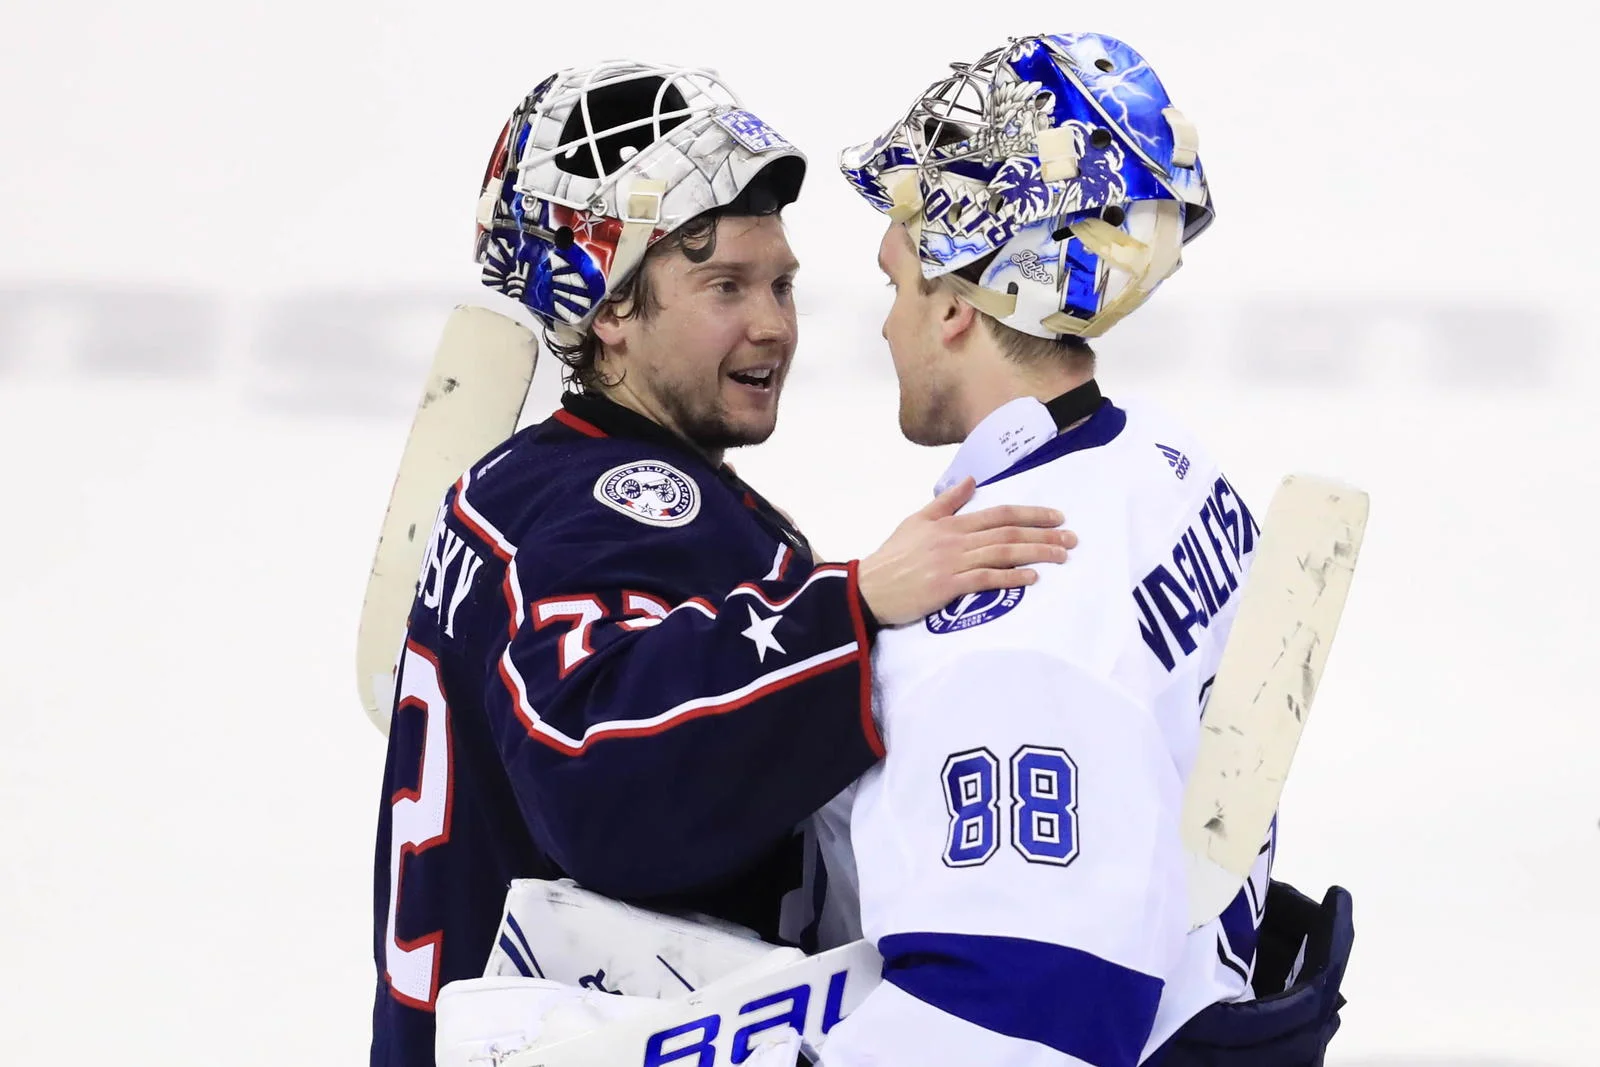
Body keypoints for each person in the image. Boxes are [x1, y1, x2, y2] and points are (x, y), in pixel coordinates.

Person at [368, 60, 1077, 1066]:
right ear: (609, 310)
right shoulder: (619, 509)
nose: (772, 323)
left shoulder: (508, 488)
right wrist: (854, 604)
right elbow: (603, 785)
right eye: (724, 286)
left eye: (780, 282)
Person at [816, 32, 1352, 1066]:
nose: (887, 326)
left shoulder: (1010, 626)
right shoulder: (1168, 463)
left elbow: (1017, 1021)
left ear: (961, 305)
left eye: (896, 284)